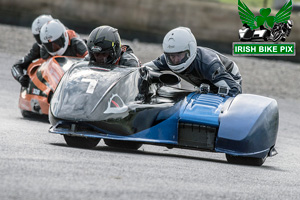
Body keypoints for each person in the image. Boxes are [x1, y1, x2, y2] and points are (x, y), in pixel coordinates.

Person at [143, 27, 242, 96]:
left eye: (179, 55)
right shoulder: (167, 59)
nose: (175, 60)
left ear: (190, 50)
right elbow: (143, 68)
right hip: (204, 83)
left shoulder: (209, 64)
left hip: (230, 77)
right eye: (171, 56)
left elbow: (235, 90)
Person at [11, 14, 53, 87]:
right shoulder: (38, 48)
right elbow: (16, 66)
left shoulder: (72, 42)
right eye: (39, 37)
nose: (44, 40)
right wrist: (21, 77)